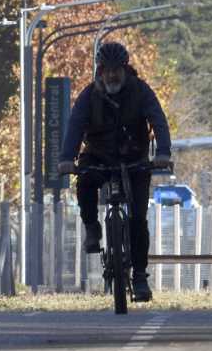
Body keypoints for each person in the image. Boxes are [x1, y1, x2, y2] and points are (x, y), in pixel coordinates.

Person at [58, 41, 173, 302]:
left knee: (138, 220)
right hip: (98, 156)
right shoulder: (89, 95)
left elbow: (159, 121)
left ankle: (140, 276)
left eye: (117, 70)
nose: (112, 75)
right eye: (107, 70)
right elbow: (75, 126)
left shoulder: (141, 91)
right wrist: (67, 158)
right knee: (85, 181)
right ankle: (91, 227)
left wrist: (163, 153)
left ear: (126, 69)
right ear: (100, 71)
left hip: (135, 159)